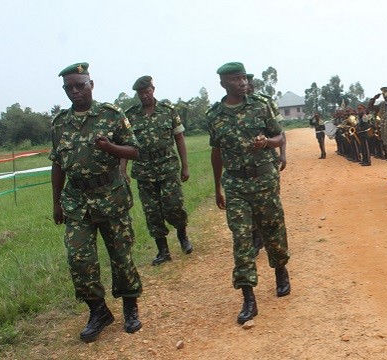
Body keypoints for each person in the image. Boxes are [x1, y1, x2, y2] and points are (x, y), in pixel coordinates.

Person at [50, 62, 142, 342]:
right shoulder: (59, 124)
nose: (75, 91)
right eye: (69, 88)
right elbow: (57, 164)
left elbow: (135, 150)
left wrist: (111, 148)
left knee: (121, 256)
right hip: (77, 202)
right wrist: (56, 202)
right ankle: (98, 311)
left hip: (110, 197)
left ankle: (130, 306)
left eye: (80, 85)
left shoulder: (111, 115)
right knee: (79, 260)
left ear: (91, 84)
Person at [207, 62, 290, 326]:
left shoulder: (260, 105)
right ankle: (248, 297)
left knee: (273, 230)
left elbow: (280, 138)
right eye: (236, 79)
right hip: (236, 186)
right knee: (242, 239)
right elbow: (216, 151)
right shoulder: (214, 116)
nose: (242, 82)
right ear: (223, 84)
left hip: (264, 179)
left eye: (243, 77)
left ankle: (280, 269)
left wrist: (267, 142)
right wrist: (217, 185)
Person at [121, 76, 193, 266]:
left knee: (173, 205)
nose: (145, 95)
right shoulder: (130, 115)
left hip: (167, 165)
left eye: (147, 91)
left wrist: (185, 166)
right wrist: (123, 170)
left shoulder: (168, 111)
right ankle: (163, 250)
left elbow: (179, 138)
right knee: (151, 211)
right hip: (143, 169)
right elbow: (126, 144)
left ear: (153, 89)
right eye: (141, 93)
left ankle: (182, 236)